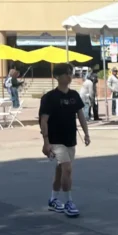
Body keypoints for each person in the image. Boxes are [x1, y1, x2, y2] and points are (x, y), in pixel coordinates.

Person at [40, 63, 90, 217]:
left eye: (71, 73)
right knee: (67, 169)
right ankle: (69, 202)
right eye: (66, 73)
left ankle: (53, 200)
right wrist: (46, 142)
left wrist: (86, 133)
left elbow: (80, 115)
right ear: (57, 76)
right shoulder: (49, 97)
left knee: (61, 170)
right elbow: (43, 120)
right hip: (56, 140)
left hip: (70, 138)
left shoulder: (74, 95)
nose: (70, 76)